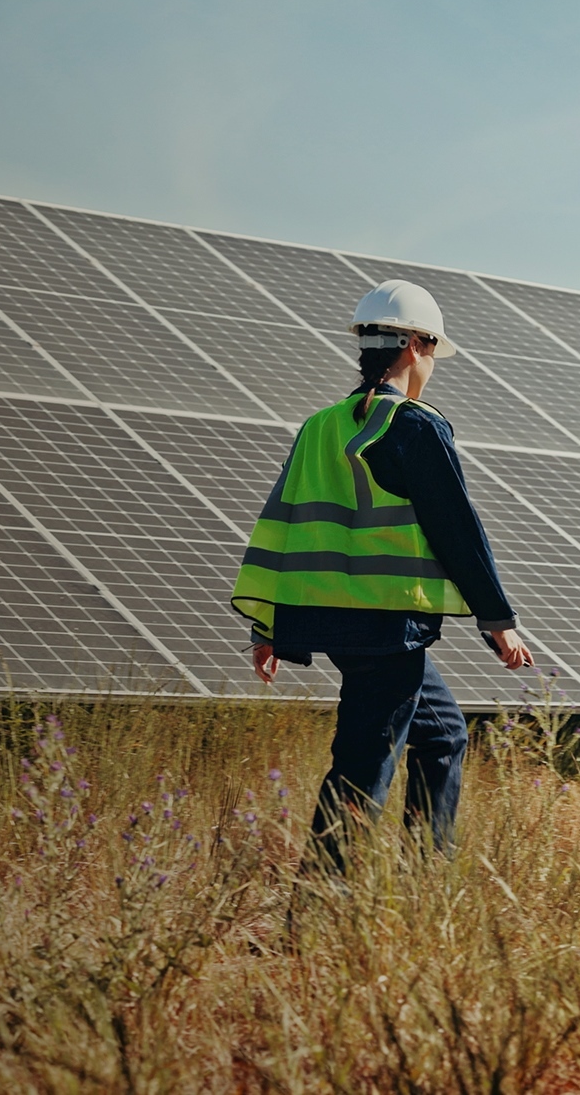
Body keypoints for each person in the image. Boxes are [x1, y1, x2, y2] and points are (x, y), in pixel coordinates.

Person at [230, 279, 532, 873]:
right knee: (366, 761)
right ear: (417, 344)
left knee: (442, 733)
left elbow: (279, 524)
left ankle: (425, 877)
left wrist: (266, 623)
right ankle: (316, 908)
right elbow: (456, 527)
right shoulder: (413, 424)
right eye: (431, 351)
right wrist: (498, 619)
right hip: (387, 625)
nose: (431, 366)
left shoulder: (321, 425)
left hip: (335, 621)